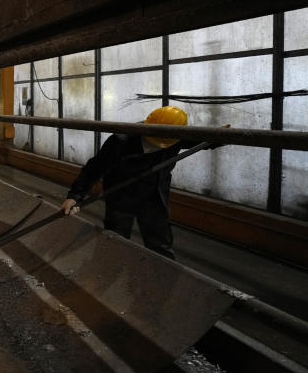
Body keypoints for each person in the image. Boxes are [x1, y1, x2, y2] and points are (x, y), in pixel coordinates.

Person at [60, 106, 214, 260]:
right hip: (121, 194)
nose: (155, 144)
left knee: (160, 247)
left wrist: (225, 136)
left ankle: (160, 277)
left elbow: (208, 140)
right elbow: (94, 168)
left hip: (154, 198)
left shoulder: (176, 136)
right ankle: (106, 271)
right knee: (115, 241)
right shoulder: (121, 140)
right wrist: (74, 196)